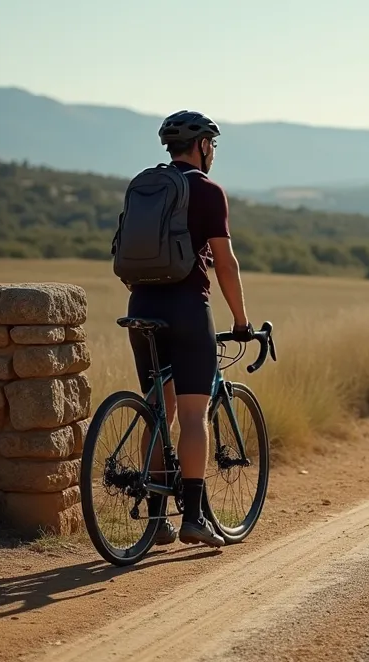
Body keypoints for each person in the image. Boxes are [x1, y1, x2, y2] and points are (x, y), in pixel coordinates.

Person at [126, 110, 252, 548]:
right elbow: (226, 264)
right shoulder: (208, 191)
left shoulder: (147, 186)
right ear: (201, 146)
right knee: (193, 415)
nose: (213, 152)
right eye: (212, 145)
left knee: (158, 411)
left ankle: (156, 520)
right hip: (186, 308)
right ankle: (194, 518)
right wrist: (241, 320)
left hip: (141, 305)